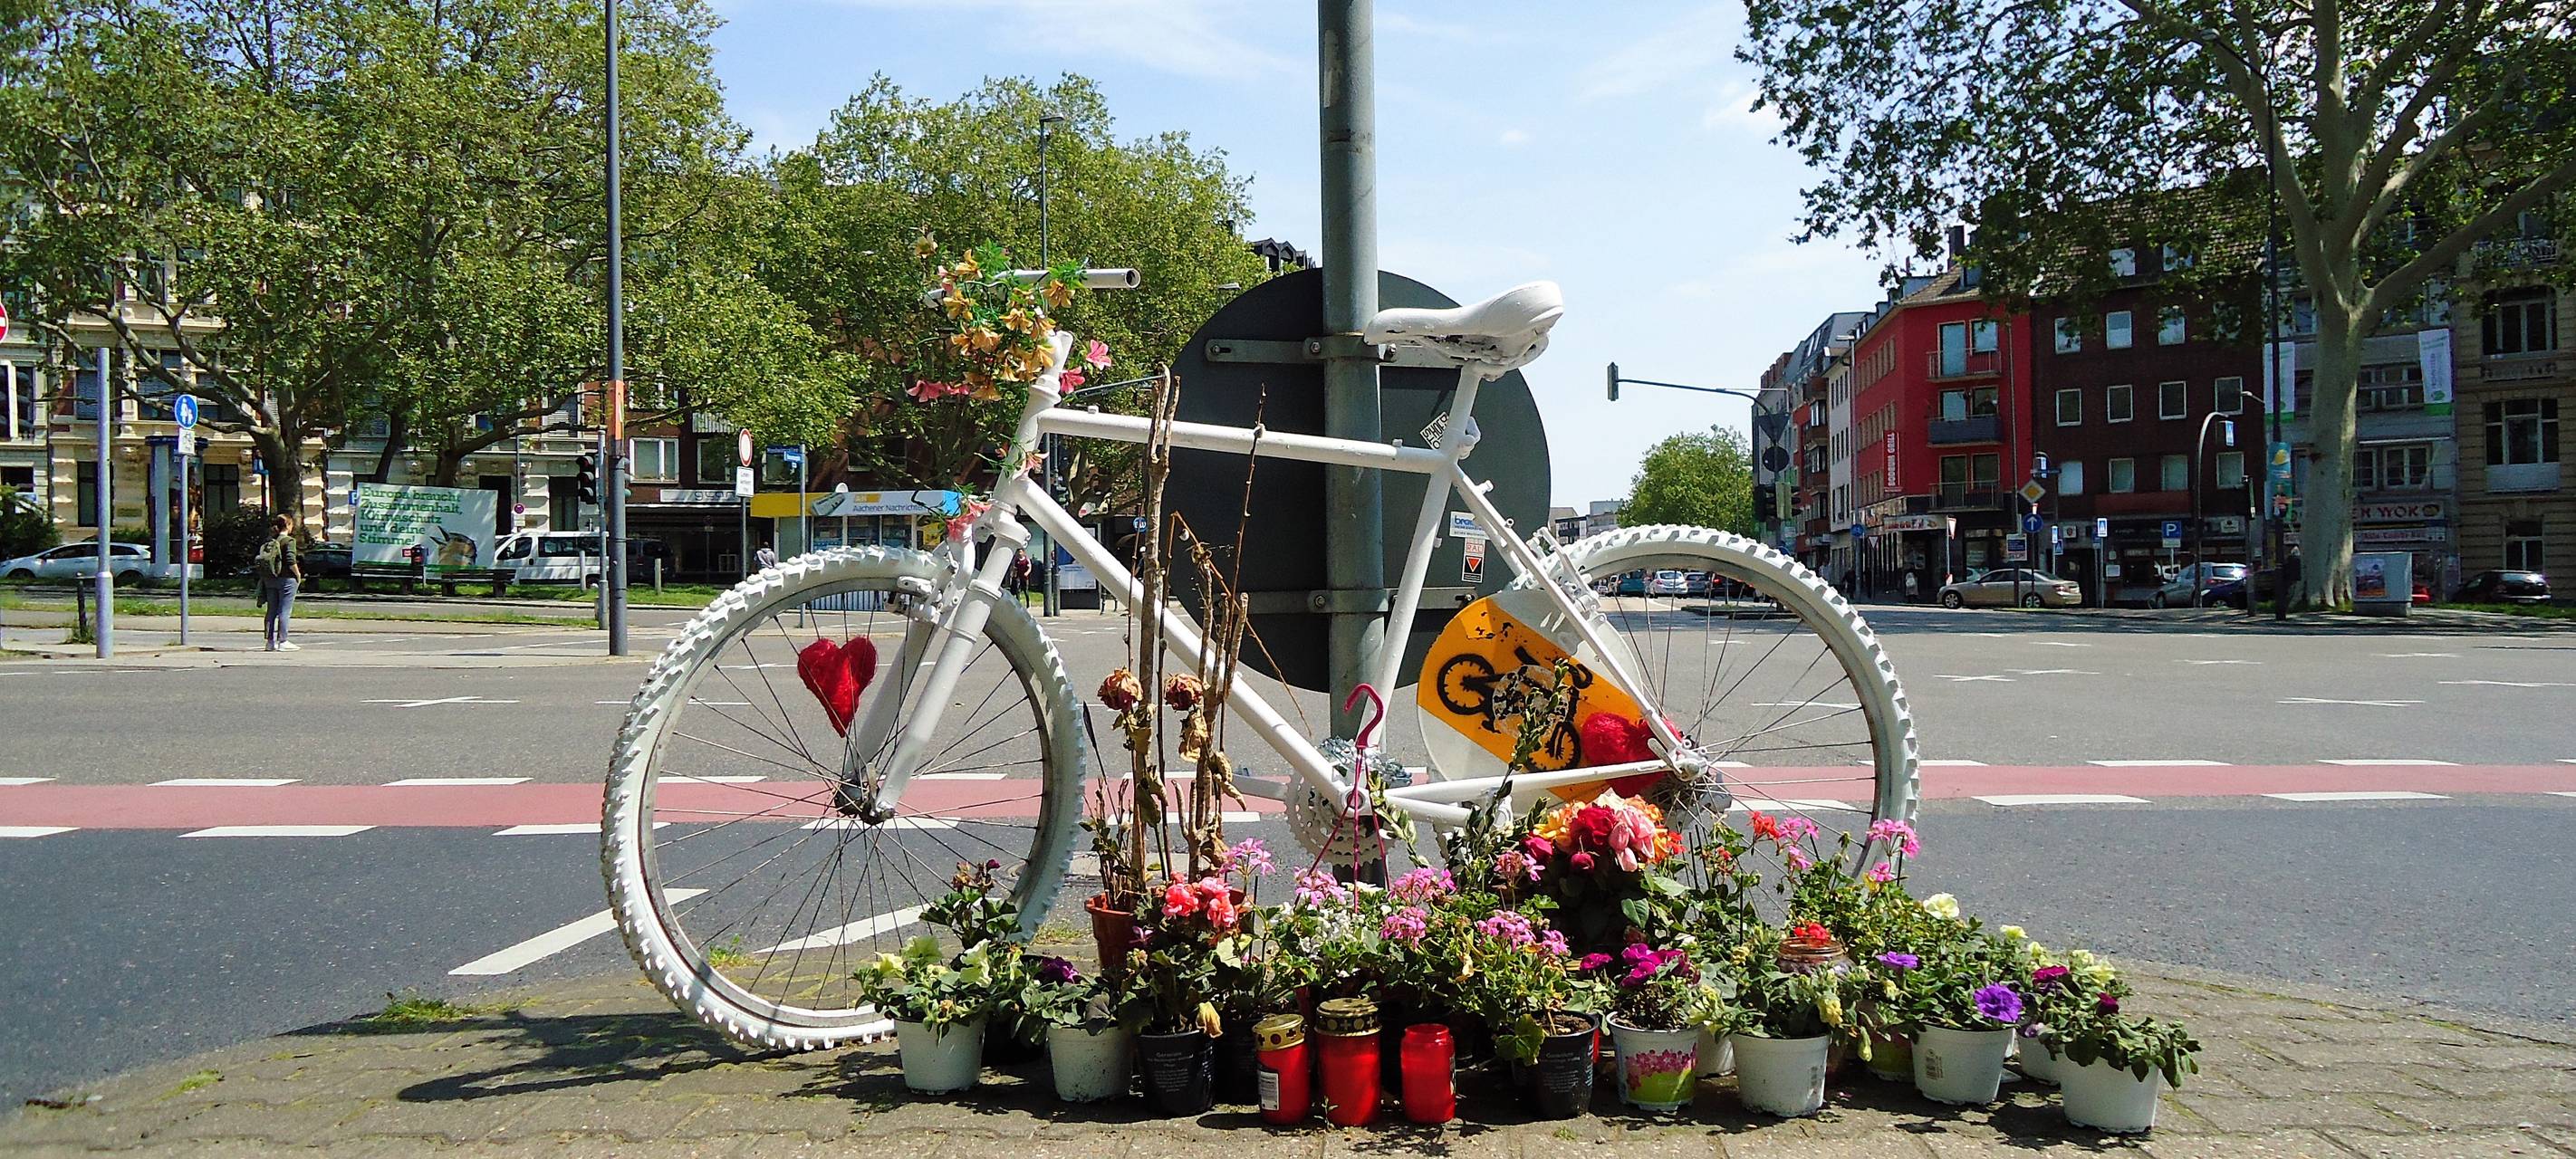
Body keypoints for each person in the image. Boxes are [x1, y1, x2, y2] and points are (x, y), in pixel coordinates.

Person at [254, 513, 302, 651]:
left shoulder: (270, 541)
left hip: (270, 579)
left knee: (271, 611)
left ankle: (269, 642)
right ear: (288, 525)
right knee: (284, 611)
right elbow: (291, 560)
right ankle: (283, 641)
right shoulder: (289, 541)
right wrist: (298, 575)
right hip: (286, 579)